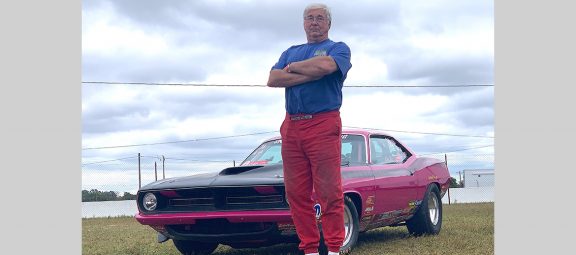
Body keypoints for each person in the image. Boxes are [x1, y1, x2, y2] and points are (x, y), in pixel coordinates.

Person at [267, 3, 352, 255]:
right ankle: (310, 249)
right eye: (309, 18)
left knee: (329, 192)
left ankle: (334, 248)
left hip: (323, 122)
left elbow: (326, 67)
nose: (314, 22)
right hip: (292, 125)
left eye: (319, 18)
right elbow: (273, 79)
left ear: (328, 23)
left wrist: (292, 69)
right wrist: (307, 73)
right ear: (303, 23)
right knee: (296, 194)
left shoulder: (338, 49)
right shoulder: (290, 51)